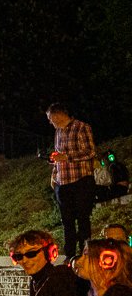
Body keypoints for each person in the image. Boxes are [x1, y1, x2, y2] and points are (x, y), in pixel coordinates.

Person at [46, 102, 97, 258]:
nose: (50, 122)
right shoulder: (58, 132)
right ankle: (70, 256)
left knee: (82, 219)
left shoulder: (81, 127)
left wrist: (66, 157)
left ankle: (85, 254)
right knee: (67, 222)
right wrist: (55, 172)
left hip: (81, 180)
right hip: (63, 183)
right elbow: (59, 155)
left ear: (58, 115)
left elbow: (90, 152)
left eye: (50, 119)